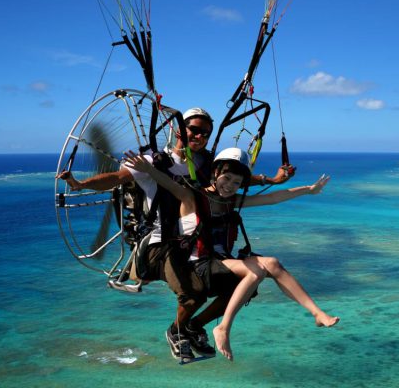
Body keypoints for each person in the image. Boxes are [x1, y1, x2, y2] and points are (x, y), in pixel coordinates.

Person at [58, 108, 294, 363]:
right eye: (193, 129)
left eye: (205, 132)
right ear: (177, 129)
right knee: (193, 295)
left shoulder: (204, 163)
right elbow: (115, 178)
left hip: (195, 243)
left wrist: (272, 179)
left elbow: (231, 178)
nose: (199, 136)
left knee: (242, 286)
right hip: (162, 242)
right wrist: (81, 184)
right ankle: (177, 332)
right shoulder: (152, 162)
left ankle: (194, 327)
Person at [124, 147, 339, 362]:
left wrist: (308, 190)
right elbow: (170, 184)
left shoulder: (231, 202)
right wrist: (147, 169)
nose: (229, 186)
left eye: (236, 183)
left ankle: (317, 313)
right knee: (255, 272)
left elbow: (274, 197)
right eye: (226, 179)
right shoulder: (193, 197)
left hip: (221, 263)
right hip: (197, 265)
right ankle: (223, 329)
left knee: (272, 264)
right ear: (215, 174)